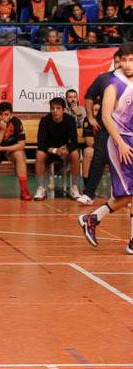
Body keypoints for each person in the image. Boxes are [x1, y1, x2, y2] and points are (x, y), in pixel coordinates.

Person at [78, 42, 133, 254]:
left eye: (131, 60)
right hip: (120, 142)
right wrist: (120, 143)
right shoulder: (113, 84)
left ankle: (93, 219)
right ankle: (94, 218)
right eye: (124, 60)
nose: (127, 64)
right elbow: (106, 117)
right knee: (129, 193)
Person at [80, 49, 123, 205]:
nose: (121, 65)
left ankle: (124, 195)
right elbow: (89, 95)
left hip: (125, 130)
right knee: (98, 160)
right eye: (118, 62)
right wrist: (91, 117)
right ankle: (89, 194)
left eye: (124, 61)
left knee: (125, 163)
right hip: (105, 128)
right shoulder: (104, 78)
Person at [34, 97, 80, 200]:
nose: (55, 111)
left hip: (64, 152)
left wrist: (66, 149)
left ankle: (75, 188)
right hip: (49, 152)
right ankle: (40, 188)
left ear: (64, 110)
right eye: (53, 108)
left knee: (75, 154)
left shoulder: (70, 120)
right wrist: (54, 150)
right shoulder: (45, 120)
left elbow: (74, 142)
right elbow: (41, 144)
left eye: (58, 108)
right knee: (39, 154)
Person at [0, 102, 29, 201]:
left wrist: (2, 148)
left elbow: (21, 145)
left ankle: (24, 190)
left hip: (9, 150)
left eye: (6, 114)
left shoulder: (16, 122)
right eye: (1, 114)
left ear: (11, 116)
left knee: (20, 154)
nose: (3, 117)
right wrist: (2, 130)